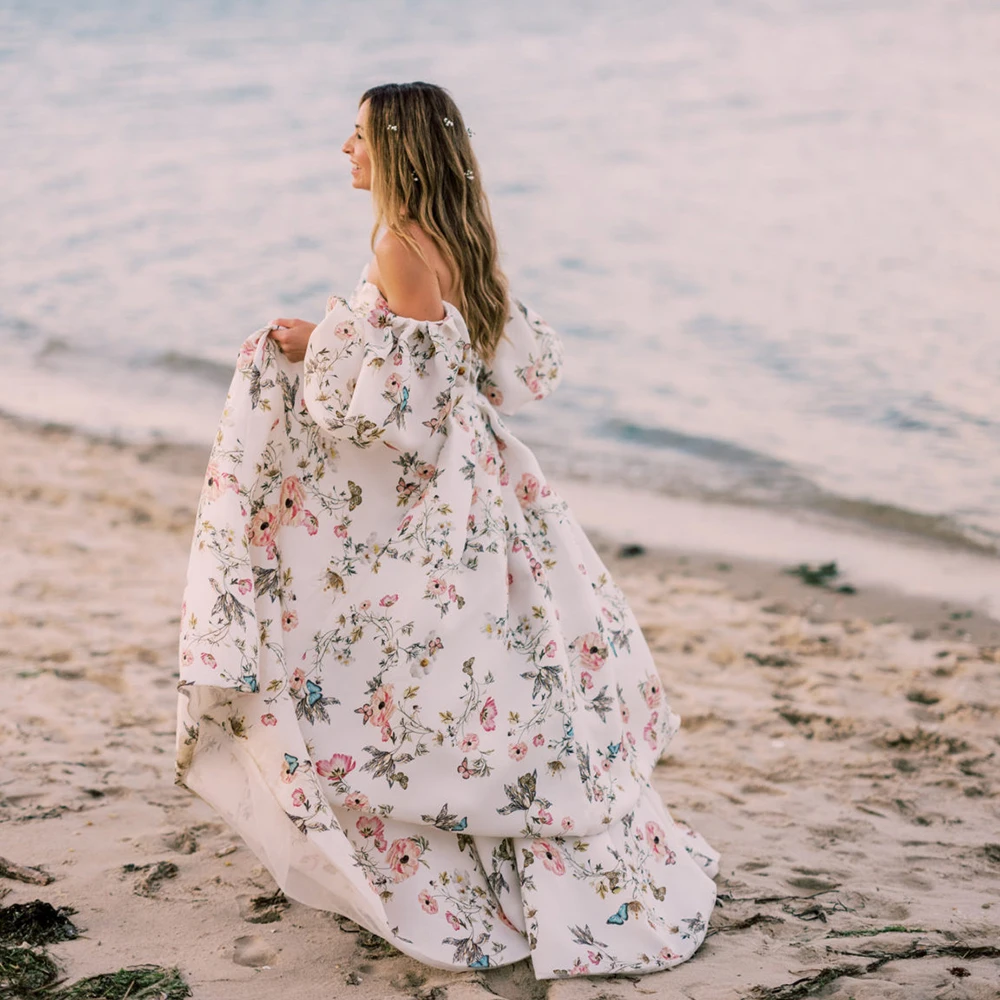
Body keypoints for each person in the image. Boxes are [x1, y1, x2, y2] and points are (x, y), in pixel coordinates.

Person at [175, 81, 718, 980]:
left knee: (387, 661)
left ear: (395, 148)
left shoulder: (397, 242)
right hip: (485, 474)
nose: (343, 150)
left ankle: (445, 857)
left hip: (440, 491)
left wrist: (320, 357)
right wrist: (336, 334)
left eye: (356, 137)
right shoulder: (457, 233)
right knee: (485, 662)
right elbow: (460, 361)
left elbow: (401, 415)